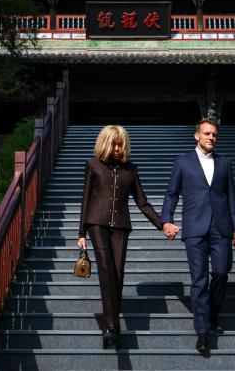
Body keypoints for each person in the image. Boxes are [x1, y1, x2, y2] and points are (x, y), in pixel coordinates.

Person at [76, 125, 166, 349]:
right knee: (105, 268)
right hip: (96, 223)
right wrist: (81, 233)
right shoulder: (93, 165)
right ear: (106, 143)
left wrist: (162, 224)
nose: (118, 148)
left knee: (117, 273)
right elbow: (86, 198)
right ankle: (111, 327)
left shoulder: (131, 170)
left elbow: (142, 202)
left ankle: (111, 322)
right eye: (114, 143)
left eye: (121, 143)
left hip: (121, 227)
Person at [161, 117, 235, 353]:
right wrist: (167, 220)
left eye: (214, 135)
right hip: (195, 227)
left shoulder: (225, 163)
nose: (211, 138)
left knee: (220, 272)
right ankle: (202, 331)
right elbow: (171, 193)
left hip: (222, 226)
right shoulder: (182, 162)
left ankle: (211, 314)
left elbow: (231, 197)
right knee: (199, 279)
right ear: (197, 135)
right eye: (206, 133)